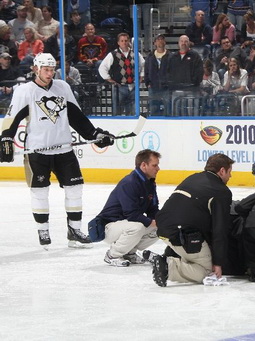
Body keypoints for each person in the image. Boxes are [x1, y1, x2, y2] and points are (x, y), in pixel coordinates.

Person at [0, 53, 115, 248]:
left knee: (75, 188)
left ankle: (74, 230)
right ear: (36, 69)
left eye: (52, 69)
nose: (49, 73)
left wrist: (95, 134)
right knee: (39, 190)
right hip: (37, 151)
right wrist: (6, 138)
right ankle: (43, 230)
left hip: (63, 148)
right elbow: (12, 119)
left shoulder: (63, 87)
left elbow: (76, 117)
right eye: (46, 69)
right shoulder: (25, 91)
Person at [152, 153, 235, 287]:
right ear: (222, 171)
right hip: (182, 234)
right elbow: (219, 230)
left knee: (190, 229)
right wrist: (218, 264)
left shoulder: (192, 178)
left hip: (162, 228)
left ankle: (169, 256)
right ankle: (168, 266)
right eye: (229, 172)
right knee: (206, 271)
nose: (230, 176)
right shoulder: (221, 191)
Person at [94, 149, 161, 267]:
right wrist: (152, 222)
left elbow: (153, 209)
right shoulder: (129, 183)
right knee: (138, 227)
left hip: (126, 225)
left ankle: (129, 253)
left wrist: (162, 221)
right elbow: (132, 214)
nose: (158, 169)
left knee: (161, 227)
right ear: (143, 165)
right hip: (109, 226)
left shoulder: (150, 183)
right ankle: (112, 255)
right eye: (154, 165)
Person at [99, 32, 145, 115]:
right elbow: (102, 68)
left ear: (129, 42)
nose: (124, 42)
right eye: (122, 41)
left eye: (126, 40)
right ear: (118, 43)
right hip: (119, 87)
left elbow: (143, 65)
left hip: (133, 86)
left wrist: (141, 77)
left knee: (133, 112)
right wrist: (110, 80)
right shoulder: (113, 54)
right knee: (117, 111)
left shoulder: (136, 54)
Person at [144, 34, 171, 116]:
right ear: (154, 43)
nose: (160, 41)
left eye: (162, 39)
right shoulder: (150, 56)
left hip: (166, 88)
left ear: (165, 42)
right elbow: (146, 70)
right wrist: (147, 83)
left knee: (168, 111)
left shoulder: (171, 56)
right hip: (153, 87)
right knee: (153, 110)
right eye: (158, 39)